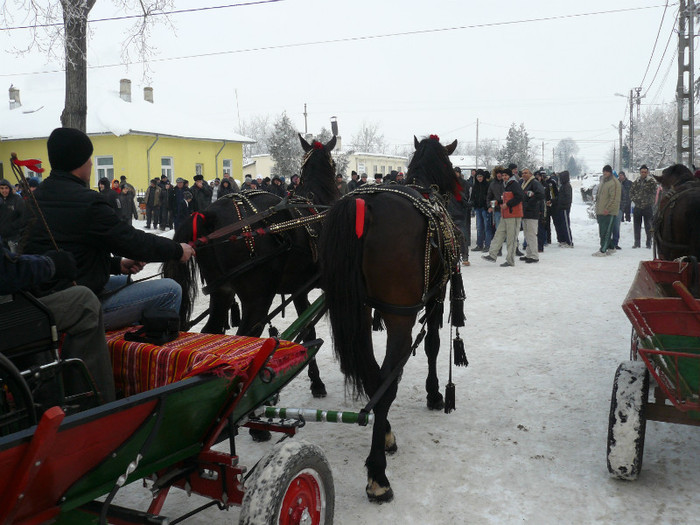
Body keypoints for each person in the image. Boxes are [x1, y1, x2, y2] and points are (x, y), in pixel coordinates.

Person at [24, 127, 195, 331]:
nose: (90, 163)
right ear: (81, 162)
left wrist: (116, 265)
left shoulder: (34, 198)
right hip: (76, 306)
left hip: (43, 298)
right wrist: (177, 250)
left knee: (123, 280)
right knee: (170, 290)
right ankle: (149, 356)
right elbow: (130, 241)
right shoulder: (87, 202)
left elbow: (71, 251)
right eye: (89, 158)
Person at [1, 235, 116, 402]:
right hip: (7, 318)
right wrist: (51, 265)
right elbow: (6, 271)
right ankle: (94, 406)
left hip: (12, 307)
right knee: (85, 303)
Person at [482, 169, 524, 266]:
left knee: (511, 238)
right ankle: (493, 254)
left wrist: (507, 204)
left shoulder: (514, 184)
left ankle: (510, 260)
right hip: (506, 214)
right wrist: (499, 202)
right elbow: (507, 198)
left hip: (513, 215)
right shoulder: (507, 184)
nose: (504, 176)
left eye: (506, 175)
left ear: (509, 176)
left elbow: (520, 196)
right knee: (499, 234)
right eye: (503, 175)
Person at [593, 165, 621, 256]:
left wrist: (608, 209)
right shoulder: (603, 182)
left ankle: (603, 250)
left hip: (609, 212)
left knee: (606, 232)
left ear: (610, 172)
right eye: (604, 171)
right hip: (601, 210)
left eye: (607, 171)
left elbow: (614, 198)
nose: (605, 173)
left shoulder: (614, 183)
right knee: (602, 231)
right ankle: (611, 247)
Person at [519, 168, 544, 263]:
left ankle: (534, 255)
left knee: (532, 234)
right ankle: (529, 253)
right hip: (525, 212)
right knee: (527, 234)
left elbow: (541, 194)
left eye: (526, 173)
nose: (524, 174)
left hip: (532, 212)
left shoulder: (534, 183)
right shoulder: (524, 183)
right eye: (522, 173)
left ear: (530, 174)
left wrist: (530, 202)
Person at [629, 164, 657, 248]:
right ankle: (637, 243)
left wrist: (649, 201)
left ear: (647, 172)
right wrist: (635, 199)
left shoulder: (651, 182)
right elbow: (631, 193)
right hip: (638, 207)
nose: (643, 173)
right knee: (636, 225)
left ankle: (648, 242)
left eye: (645, 172)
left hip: (647, 207)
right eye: (642, 172)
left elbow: (654, 194)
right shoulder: (636, 182)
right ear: (640, 172)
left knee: (648, 225)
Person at [447, 166, 471, 266]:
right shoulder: (448, 184)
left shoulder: (464, 184)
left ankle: (464, 256)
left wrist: (469, 204)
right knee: (450, 237)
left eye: (457, 172)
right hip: (450, 213)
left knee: (462, 236)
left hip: (460, 214)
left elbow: (466, 200)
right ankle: (453, 257)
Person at [0, 178, 27, 253]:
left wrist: (14, 226)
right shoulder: (0, 201)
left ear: (9, 188)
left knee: (14, 259)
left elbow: (23, 216)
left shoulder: (16, 199)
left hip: (14, 237)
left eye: (6, 188)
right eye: (2, 188)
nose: (4, 190)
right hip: (2, 237)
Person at [470, 169, 492, 252]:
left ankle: (487, 245)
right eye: (478, 176)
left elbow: (490, 196)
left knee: (487, 227)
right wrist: (472, 203)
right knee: (479, 227)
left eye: (481, 176)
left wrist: (489, 206)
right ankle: (479, 244)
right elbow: (472, 196)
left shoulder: (487, 185)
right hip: (478, 208)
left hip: (485, 208)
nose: (479, 178)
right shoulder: (475, 186)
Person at [552, 170, 573, 247]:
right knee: (562, 225)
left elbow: (567, 198)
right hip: (560, 208)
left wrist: (562, 204)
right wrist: (553, 201)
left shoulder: (567, 186)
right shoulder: (563, 186)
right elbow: (559, 197)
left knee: (566, 225)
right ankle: (563, 240)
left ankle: (569, 242)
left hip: (564, 208)